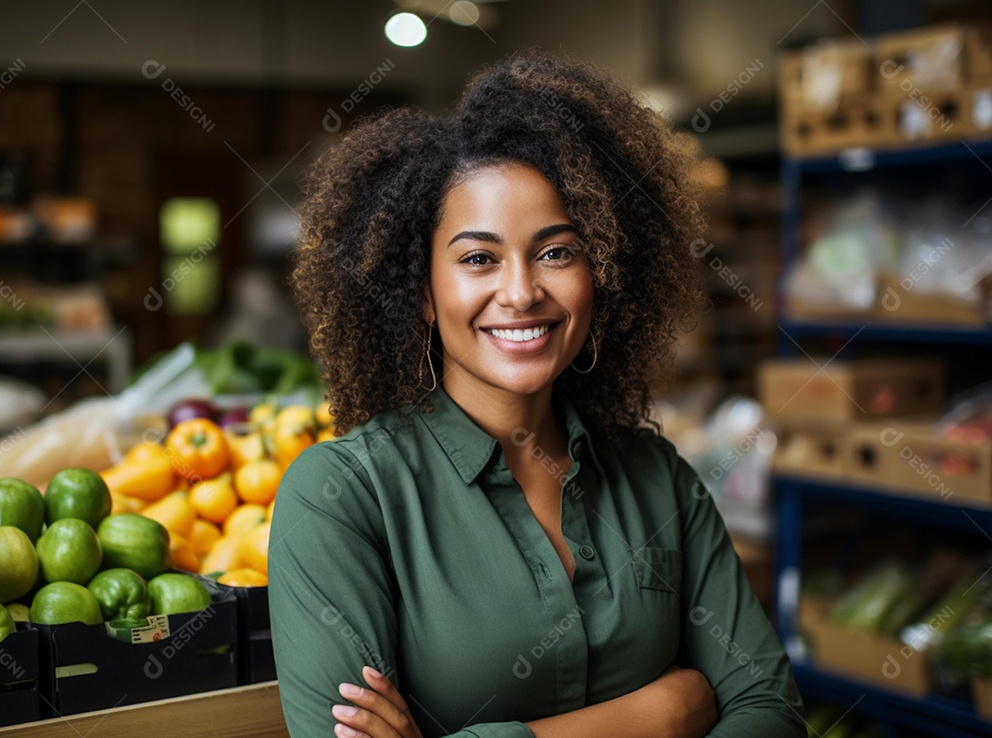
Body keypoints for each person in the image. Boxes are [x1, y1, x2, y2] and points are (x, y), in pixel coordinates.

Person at [269, 52, 804, 738]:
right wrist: (660, 716)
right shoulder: (341, 498)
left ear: (603, 270)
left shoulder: (656, 478)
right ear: (422, 295)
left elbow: (773, 716)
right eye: (478, 259)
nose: (521, 292)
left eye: (557, 252)